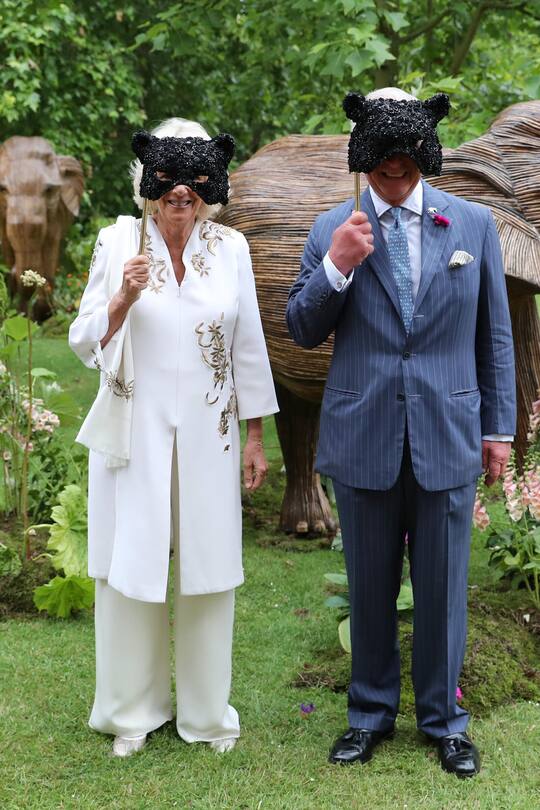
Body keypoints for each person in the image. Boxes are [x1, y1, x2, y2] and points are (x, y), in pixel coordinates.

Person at [286, 88, 515, 777]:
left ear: (424, 163)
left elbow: (494, 335)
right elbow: (302, 327)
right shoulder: (334, 226)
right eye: (383, 171)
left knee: (444, 588)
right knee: (370, 584)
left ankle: (445, 722)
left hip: (448, 428)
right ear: (365, 166)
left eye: (407, 170)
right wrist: (340, 265)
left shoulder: (472, 226)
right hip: (363, 432)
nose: (395, 181)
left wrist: (497, 427)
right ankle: (368, 716)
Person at [69, 117, 278, 757]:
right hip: (136, 433)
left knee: (209, 568)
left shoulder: (232, 249)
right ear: (148, 185)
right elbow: (82, 341)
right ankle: (131, 712)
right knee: (131, 567)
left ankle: (208, 714)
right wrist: (122, 300)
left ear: (209, 188)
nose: (179, 195)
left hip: (211, 436)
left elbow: (248, 346)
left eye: (193, 184)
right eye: (168, 183)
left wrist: (253, 437)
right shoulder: (116, 242)